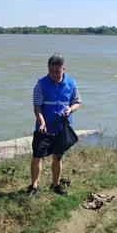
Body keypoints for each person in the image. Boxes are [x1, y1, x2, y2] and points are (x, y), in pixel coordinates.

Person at [28, 53, 82, 197]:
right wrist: (42, 122)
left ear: (63, 69)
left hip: (62, 128)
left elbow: (77, 102)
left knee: (58, 157)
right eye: (51, 71)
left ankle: (56, 185)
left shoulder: (71, 83)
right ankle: (34, 186)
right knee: (37, 156)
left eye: (57, 71)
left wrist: (70, 109)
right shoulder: (40, 84)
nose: (54, 74)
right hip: (44, 128)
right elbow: (37, 107)